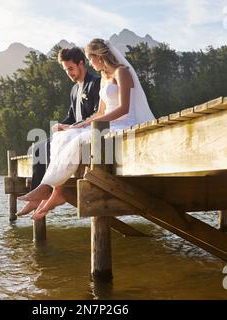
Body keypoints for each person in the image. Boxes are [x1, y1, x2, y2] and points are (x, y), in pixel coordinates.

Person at [19, 38, 155, 220]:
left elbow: (123, 108)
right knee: (63, 137)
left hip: (122, 123)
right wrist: (82, 124)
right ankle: (53, 190)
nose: (90, 63)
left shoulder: (122, 72)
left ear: (98, 56)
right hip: (105, 122)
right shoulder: (105, 78)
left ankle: (50, 188)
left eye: (90, 59)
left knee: (76, 140)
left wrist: (96, 124)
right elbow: (100, 112)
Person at [15, 47, 101, 216]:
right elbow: (72, 115)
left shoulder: (95, 82)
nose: (68, 73)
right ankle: (37, 197)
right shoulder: (74, 90)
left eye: (71, 68)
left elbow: (97, 113)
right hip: (73, 131)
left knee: (50, 146)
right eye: (65, 70)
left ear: (81, 63)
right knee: (39, 148)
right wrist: (61, 124)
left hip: (88, 131)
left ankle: (47, 193)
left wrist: (72, 127)